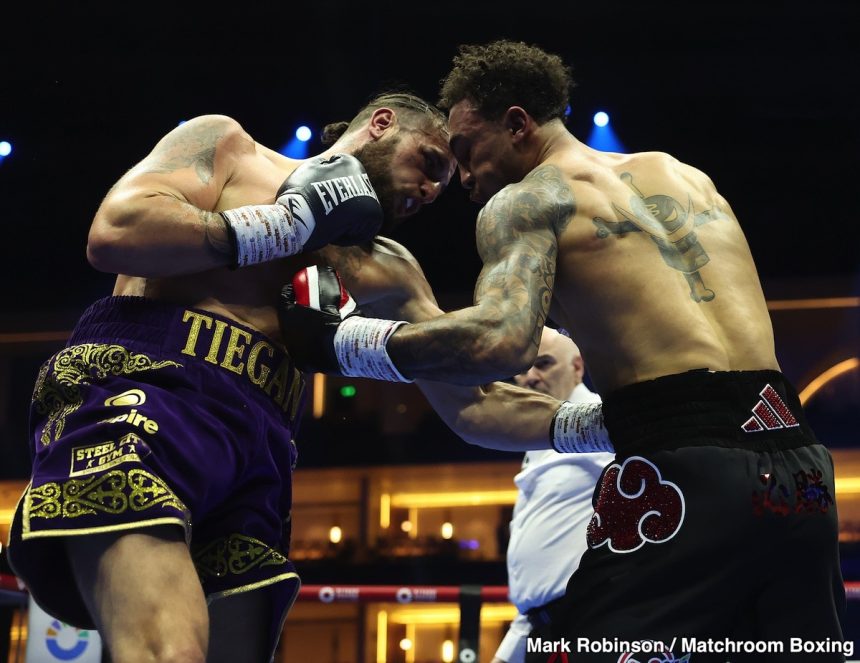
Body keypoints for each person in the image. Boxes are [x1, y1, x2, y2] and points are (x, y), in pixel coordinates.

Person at [281, 40, 846, 661]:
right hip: (801, 465)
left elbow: (501, 342)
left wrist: (345, 345)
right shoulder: (683, 176)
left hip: (683, 464)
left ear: (517, 123)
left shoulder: (529, 199)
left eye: (467, 151)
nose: (463, 179)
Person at [6, 91, 454, 663]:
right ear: (382, 123)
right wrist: (287, 224)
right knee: (169, 654)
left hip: (261, 445)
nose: (431, 189)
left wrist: (568, 405)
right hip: (149, 392)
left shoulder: (386, 265)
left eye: (443, 184)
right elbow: (116, 233)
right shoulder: (232, 148)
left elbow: (472, 387)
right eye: (429, 162)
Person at [492, 327, 612, 663]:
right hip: (540, 630)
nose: (530, 377)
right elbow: (540, 561)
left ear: (577, 367)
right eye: (521, 369)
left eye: (544, 363)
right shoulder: (537, 438)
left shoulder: (602, 419)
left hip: (587, 624)